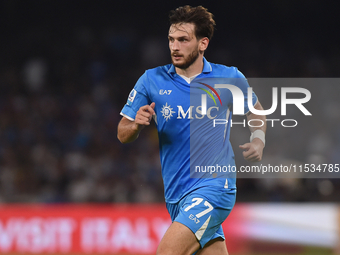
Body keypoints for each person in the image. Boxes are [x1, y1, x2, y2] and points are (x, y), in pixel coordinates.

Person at [117, 5, 266, 255]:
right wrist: (135, 125)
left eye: (183, 40)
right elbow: (123, 133)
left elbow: (256, 110)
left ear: (202, 43)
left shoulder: (227, 77)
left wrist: (258, 140)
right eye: (171, 40)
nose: (175, 47)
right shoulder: (151, 80)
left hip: (215, 187)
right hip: (177, 195)